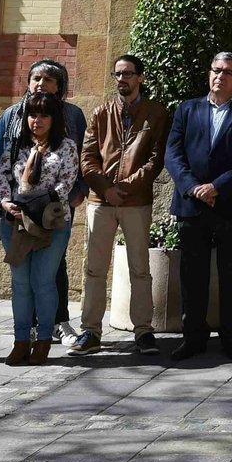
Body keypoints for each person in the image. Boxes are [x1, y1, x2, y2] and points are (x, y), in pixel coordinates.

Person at [165, 51, 232, 362]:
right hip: (191, 204)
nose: (219, 76)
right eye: (215, 70)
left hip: (231, 204)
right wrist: (192, 187)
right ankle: (193, 337)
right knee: (191, 274)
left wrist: (217, 187)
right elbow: (173, 152)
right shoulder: (187, 109)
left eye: (227, 72)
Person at [70, 54, 170, 358]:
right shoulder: (101, 113)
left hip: (135, 200)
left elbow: (155, 160)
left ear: (140, 77)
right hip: (100, 201)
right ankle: (91, 331)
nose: (122, 79)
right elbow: (87, 157)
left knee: (140, 268)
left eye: (127, 74)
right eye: (117, 74)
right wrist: (105, 188)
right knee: (94, 269)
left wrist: (124, 188)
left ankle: (143, 331)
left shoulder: (156, 113)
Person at [0, 59, 86, 345]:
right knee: (23, 267)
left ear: (60, 86)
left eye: (48, 79)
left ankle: (58, 322)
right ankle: (27, 328)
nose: (40, 83)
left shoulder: (73, 115)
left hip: (55, 208)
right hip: (15, 208)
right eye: (35, 78)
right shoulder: (12, 115)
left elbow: (83, 154)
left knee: (53, 267)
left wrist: (79, 189)